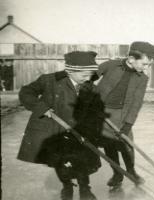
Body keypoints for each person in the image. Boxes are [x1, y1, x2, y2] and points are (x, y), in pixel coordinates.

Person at [17, 51, 103, 200]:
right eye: (84, 75)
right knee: (61, 162)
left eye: (90, 75)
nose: (88, 78)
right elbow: (26, 92)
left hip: (79, 131)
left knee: (82, 160)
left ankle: (85, 189)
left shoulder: (89, 86)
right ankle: (67, 187)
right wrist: (42, 107)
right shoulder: (49, 80)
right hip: (55, 130)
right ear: (70, 71)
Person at [96, 41, 154, 190]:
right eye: (144, 64)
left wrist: (128, 124)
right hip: (101, 113)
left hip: (123, 115)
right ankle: (117, 174)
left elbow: (137, 103)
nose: (146, 68)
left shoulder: (142, 78)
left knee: (127, 145)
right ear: (131, 59)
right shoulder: (110, 65)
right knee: (109, 145)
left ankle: (132, 171)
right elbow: (88, 77)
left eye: (149, 65)